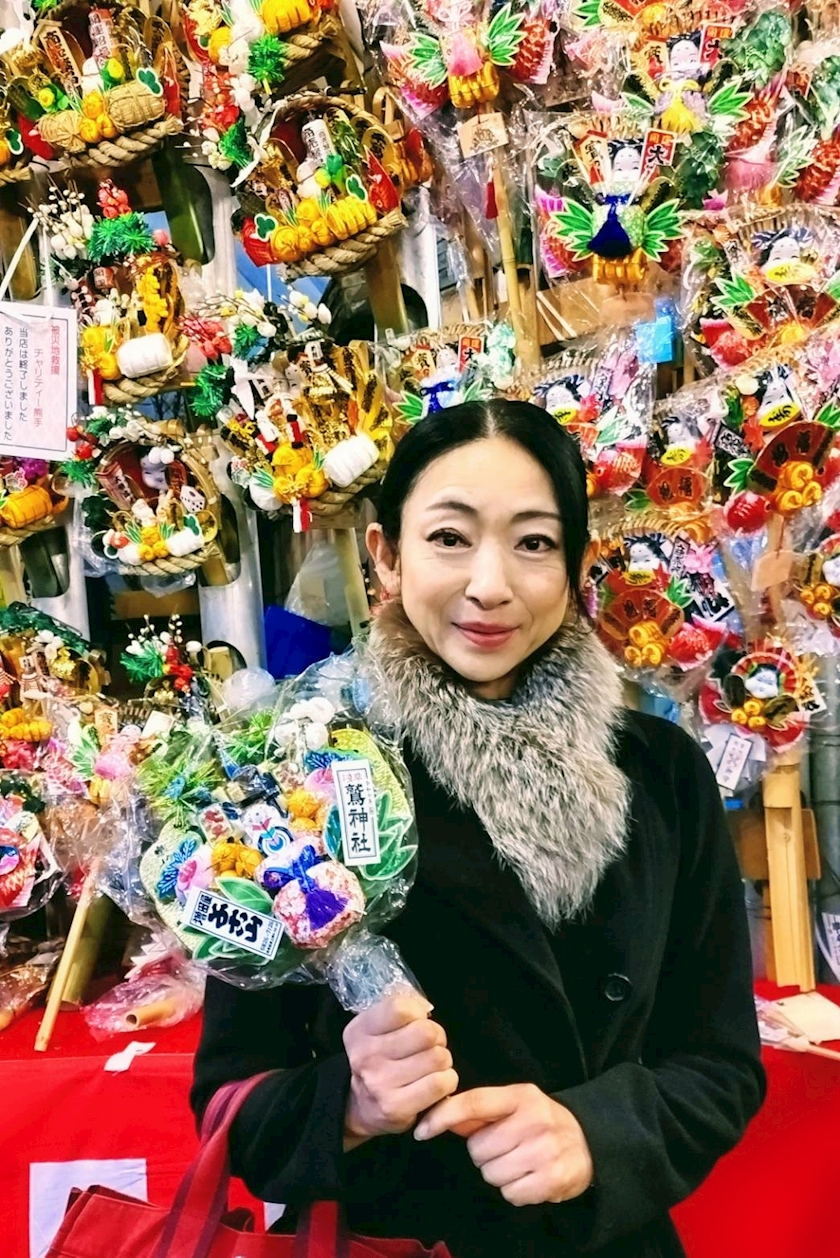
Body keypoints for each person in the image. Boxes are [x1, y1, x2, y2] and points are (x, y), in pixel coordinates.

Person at [191, 399, 765, 1258]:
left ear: (577, 566)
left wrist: (600, 1134)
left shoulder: (663, 773)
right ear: (387, 556)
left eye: (534, 543)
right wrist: (349, 1105)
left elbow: (720, 1064)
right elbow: (230, 1101)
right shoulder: (298, 780)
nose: (490, 584)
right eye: (450, 538)